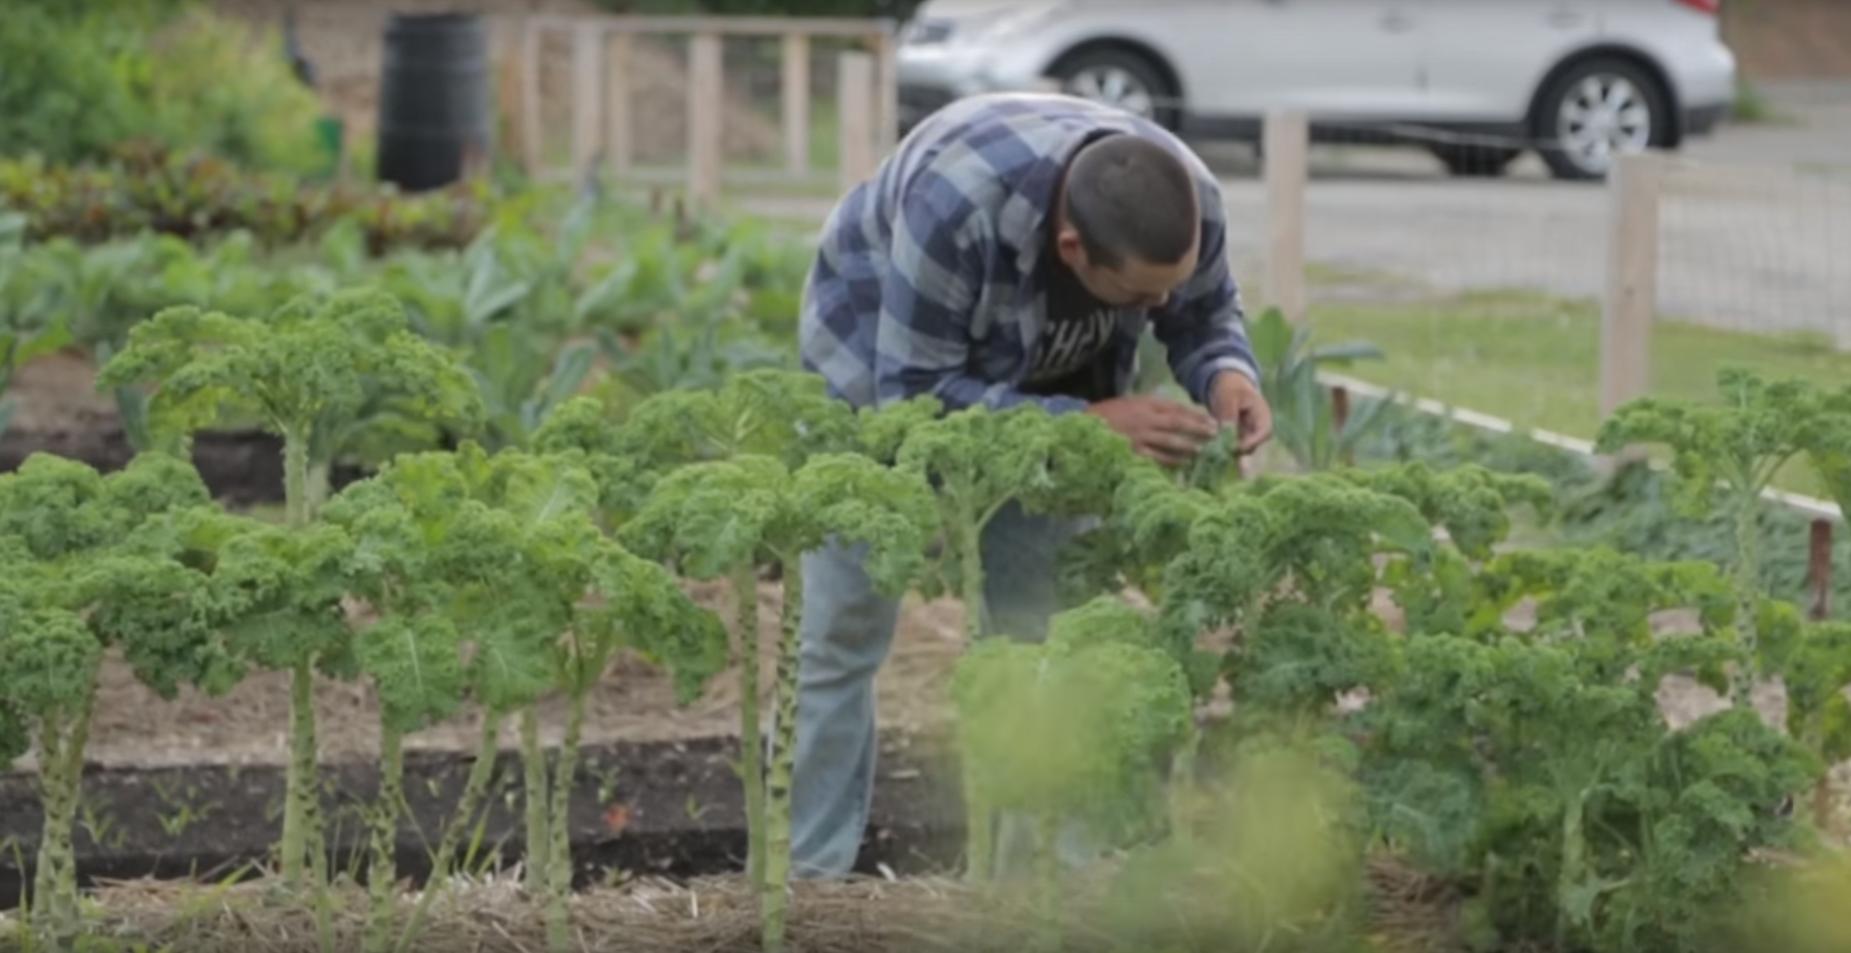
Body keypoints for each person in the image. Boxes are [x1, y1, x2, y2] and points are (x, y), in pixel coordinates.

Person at [786, 91, 1274, 880]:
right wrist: (1084, 424)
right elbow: (912, 397)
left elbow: (1206, 311)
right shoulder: (957, 209)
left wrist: (1224, 372)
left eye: (1167, 287)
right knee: (841, 632)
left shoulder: (1187, 199)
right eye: (1142, 298)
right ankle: (804, 884)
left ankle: (1030, 888)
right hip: (871, 372)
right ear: (1072, 245)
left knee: (1043, 635)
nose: (1160, 309)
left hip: (1056, 392)